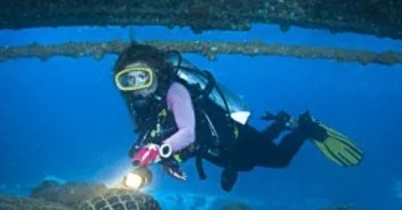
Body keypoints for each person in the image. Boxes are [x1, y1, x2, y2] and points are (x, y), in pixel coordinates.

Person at [113, 43, 364, 192]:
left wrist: (160, 152)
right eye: (127, 80)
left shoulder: (176, 92)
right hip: (217, 151)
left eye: (141, 77)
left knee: (280, 159)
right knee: (246, 163)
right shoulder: (144, 105)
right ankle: (279, 123)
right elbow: (157, 133)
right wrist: (168, 160)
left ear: (156, 72)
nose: (137, 87)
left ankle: (306, 128)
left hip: (236, 139)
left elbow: (187, 132)